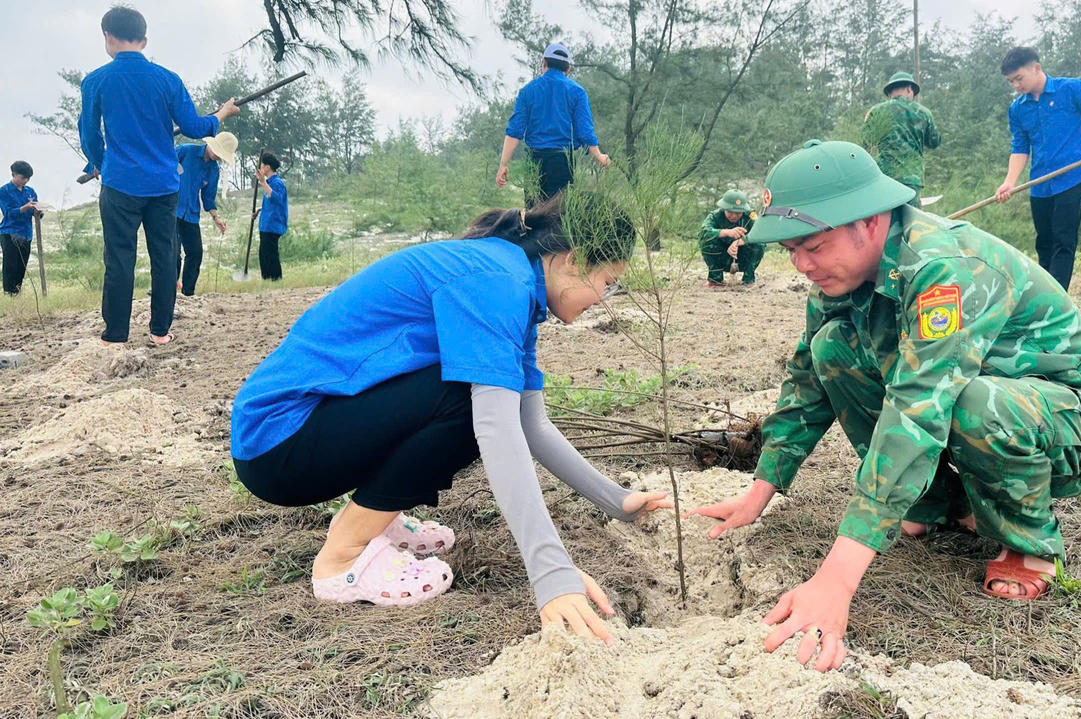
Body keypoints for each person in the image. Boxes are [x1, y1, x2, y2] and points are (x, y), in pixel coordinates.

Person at [689, 140, 1081, 672]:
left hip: (1073, 420)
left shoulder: (946, 268)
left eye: (812, 245)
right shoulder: (838, 275)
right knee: (834, 349)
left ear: (870, 221)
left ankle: (1025, 539)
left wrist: (836, 579)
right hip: (976, 397)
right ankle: (940, 504)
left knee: (974, 404)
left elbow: (919, 407)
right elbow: (808, 379)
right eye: (790, 251)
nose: (802, 264)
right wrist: (761, 489)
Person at [230, 192, 670, 642]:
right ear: (573, 260)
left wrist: (616, 501)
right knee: (470, 398)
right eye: (609, 281)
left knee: (482, 393)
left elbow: (531, 423)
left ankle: (372, 519)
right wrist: (552, 576)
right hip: (279, 440)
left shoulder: (516, 286)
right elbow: (497, 428)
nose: (606, 298)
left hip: (313, 429)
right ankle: (344, 555)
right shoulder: (498, 283)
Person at [78, 5, 239, 345]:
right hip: (165, 186)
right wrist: (221, 114)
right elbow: (196, 127)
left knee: (119, 257)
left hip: (120, 184)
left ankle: (116, 334)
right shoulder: (168, 80)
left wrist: (99, 161)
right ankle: (160, 332)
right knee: (165, 257)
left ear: (108, 37)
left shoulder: (95, 81)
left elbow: (90, 135)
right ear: (144, 40)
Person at [995, 47, 1081, 291]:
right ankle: (1045, 295)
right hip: (1039, 184)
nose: (1015, 86)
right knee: (1044, 243)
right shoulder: (1018, 109)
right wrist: (1010, 181)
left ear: (1036, 68)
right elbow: (1020, 148)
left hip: (1072, 178)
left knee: (1063, 241)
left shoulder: (1070, 89)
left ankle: (1055, 298)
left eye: (1019, 78)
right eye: (1011, 81)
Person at [496, 43, 609, 205]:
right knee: (559, 217)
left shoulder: (527, 91)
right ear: (567, 68)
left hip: (534, 162)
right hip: (562, 162)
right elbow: (585, 132)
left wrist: (503, 164)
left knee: (533, 217)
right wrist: (599, 156)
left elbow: (514, 132)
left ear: (544, 63)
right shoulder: (577, 92)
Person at [860, 72, 941, 207]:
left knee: (886, 223)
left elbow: (866, 143)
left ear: (890, 92)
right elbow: (934, 142)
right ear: (910, 89)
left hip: (884, 178)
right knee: (911, 222)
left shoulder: (875, 112)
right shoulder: (923, 113)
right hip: (911, 179)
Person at [175, 132, 236, 296]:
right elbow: (162, 167)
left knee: (195, 253)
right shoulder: (185, 151)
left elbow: (208, 198)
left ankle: (188, 293)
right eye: (218, 151)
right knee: (172, 253)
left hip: (191, 214)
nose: (217, 156)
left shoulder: (213, 170)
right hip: (170, 209)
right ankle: (165, 291)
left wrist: (217, 218)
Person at [699, 189, 762, 287]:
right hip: (721, 257)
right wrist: (726, 232)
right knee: (707, 241)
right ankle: (715, 279)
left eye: (738, 213)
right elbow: (703, 232)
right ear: (724, 208)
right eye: (730, 212)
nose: (734, 216)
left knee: (760, 243)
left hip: (742, 257)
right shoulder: (715, 216)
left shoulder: (750, 215)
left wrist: (741, 241)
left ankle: (748, 279)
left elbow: (761, 232)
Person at [1, 161, 41, 296]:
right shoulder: (4, 191)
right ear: (13, 174)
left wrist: (38, 212)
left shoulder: (30, 192)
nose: (25, 181)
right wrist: (24, 208)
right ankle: (8, 293)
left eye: (28, 178)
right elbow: (8, 213)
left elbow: (36, 212)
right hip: (9, 232)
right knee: (10, 264)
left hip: (26, 233)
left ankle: (17, 292)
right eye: (23, 178)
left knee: (21, 265)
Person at [254, 152, 287, 281]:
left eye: (262, 165)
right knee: (264, 254)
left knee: (270, 254)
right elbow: (270, 202)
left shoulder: (277, 183)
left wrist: (263, 182)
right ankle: (267, 279)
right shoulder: (270, 183)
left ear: (267, 167)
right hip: (266, 223)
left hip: (273, 224)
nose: (261, 168)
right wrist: (259, 210)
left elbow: (277, 199)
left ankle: (275, 279)